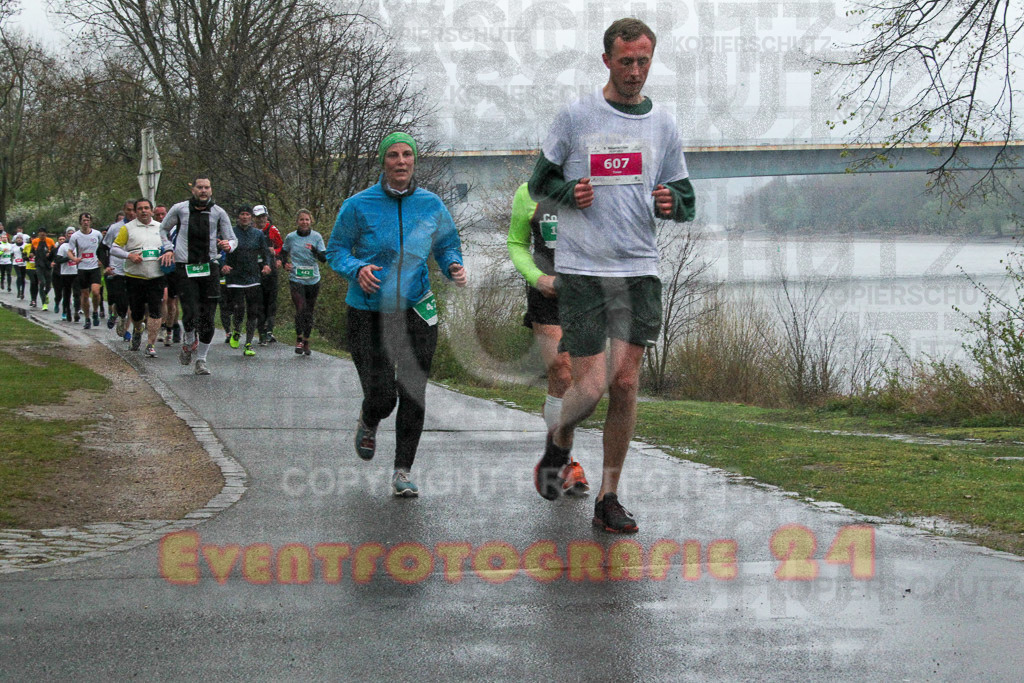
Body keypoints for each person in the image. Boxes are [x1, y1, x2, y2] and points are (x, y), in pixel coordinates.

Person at [529, 18, 696, 533]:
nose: (635, 71)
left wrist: (673, 203)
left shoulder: (663, 125)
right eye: (626, 61)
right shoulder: (578, 115)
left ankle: (609, 497)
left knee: (625, 384)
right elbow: (539, 183)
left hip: (639, 269)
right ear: (607, 60)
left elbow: (685, 197)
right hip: (582, 272)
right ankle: (558, 442)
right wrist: (567, 192)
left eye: (643, 61)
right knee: (592, 387)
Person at [327, 132, 467, 497]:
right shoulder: (358, 205)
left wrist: (453, 265)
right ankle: (369, 418)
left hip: (416, 309)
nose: (401, 161)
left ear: (415, 161)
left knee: (413, 391)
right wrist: (357, 268)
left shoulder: (431, 204)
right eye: (393, 155)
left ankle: (403, 471)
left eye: (407, 155)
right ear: (383, 162)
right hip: (368, 311)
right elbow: (336, 250)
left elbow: (448, 243)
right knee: (383, 396)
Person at [507, 182, 589, 495]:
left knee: (582, 384)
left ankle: (559, 448)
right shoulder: (529, 192)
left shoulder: (592, 185)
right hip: (548, 291)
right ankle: (567, 462)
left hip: (588, 293)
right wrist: (537, 277)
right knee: (561, 370)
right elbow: (516, 243)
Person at [158, 176, 237, 376]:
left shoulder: (218, 212)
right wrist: (168, 248)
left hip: (210, 266)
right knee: (191, 311)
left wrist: (229, 245)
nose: (203, 191)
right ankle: (189, 339)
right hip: (185, 267)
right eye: (200, 187)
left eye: (207, 187)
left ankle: (201, 360)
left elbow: (232, 238)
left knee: (208, 317)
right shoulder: (180, 209)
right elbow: (163, 228)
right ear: (193, 189)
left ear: (211, 190)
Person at [111, 198, 166, 357]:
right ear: (135, 211)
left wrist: (168, 253)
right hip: (135, 276)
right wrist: (129, 255)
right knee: (137, 312)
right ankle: (137, 329)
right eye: (140, 208)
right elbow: (114, 249)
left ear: (152, 210)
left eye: (146, 208)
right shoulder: (128, 228)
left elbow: (169, 245)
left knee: (155, 311)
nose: (143, 211)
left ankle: (150, 344)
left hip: (156, 276)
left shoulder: (161, 227)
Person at [222, 205, 272, 356]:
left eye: (247, 215)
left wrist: (267, 265)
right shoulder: (230, 232)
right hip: (235, 276)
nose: (244, 217)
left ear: (251, 218)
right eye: (242, 214)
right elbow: (220, 252)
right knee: (239, 308)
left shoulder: (257, 234)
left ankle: (249, 344)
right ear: (238, 217)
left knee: (253, 311)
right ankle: (237, 330)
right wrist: (223, 265)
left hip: (253, 277)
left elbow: (265, 252)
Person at [281, 209, 326, 356]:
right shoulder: (291, 237)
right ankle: (299, 339)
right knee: (301, 308)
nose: (304, 222)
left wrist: (314, 250)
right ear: (297, 222)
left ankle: (306, 340)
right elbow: (282, 253)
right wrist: (284, 264)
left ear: (311, 221)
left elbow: (324, 258)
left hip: (313, 279)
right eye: (302, 219)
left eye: (307, 219)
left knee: (309, 311)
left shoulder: (317, 237)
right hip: (296, 279)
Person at [67, 213, 105, 329]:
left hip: (94, 267)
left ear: (90, 222)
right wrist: (74, 259)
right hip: (82, 268)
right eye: (83, 220)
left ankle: (95, 312)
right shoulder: (75, 236)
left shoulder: (97, 234)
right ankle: (87, 318)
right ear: (80, 222)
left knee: (96, 292)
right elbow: (69, 251)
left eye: (87, 220)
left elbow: (103, 249)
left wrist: (102, 260)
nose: (86, 222)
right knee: (84, 295)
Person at [252, 204, 282, 344]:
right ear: (254, 218)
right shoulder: (250, 231)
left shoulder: (273, 230)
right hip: (255, 270)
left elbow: (282, 247)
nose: (261, 220)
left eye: (263, 216)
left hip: (271, 270)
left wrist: (275, 255)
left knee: (271, 301)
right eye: (258, 217)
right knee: (259, 302)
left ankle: (269, 329)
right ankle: (261, 332)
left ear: (267, 216)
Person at [27, 228, 56, 310]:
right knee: (42, 283)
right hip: (39, 265)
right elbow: (32, 251)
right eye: (40, 233)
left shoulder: (50, 241)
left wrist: (50, 255)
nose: (42, 235)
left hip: (48, 265)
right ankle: (44, 304)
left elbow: (55, 251)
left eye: (43, 233)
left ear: (46, 234)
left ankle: (45, 294)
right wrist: (31, 255)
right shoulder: (35, 241)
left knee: (48, 285)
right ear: (38, 234)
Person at [54, 228, 79, 320]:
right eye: (69, 233)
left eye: (73, 233)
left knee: (77, 293)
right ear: (66, 235)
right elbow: (57, 260)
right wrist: (69, 258)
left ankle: (76, 311)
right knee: (67, 293)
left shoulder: (78, 245)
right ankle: (66, 310)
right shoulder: (64, 246)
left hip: (76, 272)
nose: (71, 235)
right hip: (66, 273)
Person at [12, 234, 27, 299]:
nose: (19, 239)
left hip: (24, 263)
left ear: (22, 239)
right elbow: (11, 254)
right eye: (17, 238)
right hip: (16, 263)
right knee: (19, 276)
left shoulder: (25, 245)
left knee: (23, 278)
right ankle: (19, 291)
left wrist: (23, 253)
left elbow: (28, 253)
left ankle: (22, 292)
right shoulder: (13, 246)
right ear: (15, 239)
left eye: (20, 238)